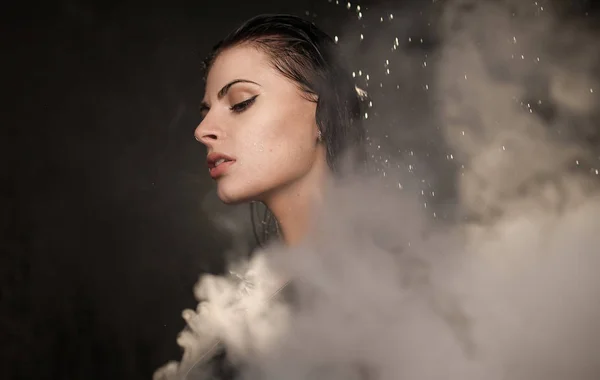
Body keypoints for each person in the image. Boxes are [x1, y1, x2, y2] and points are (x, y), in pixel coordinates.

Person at [154, 14, 366, 380]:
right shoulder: (259, 299)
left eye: (241, 103)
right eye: (206, 112)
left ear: (324, 113)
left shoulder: (377, 300)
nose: (203, 130)